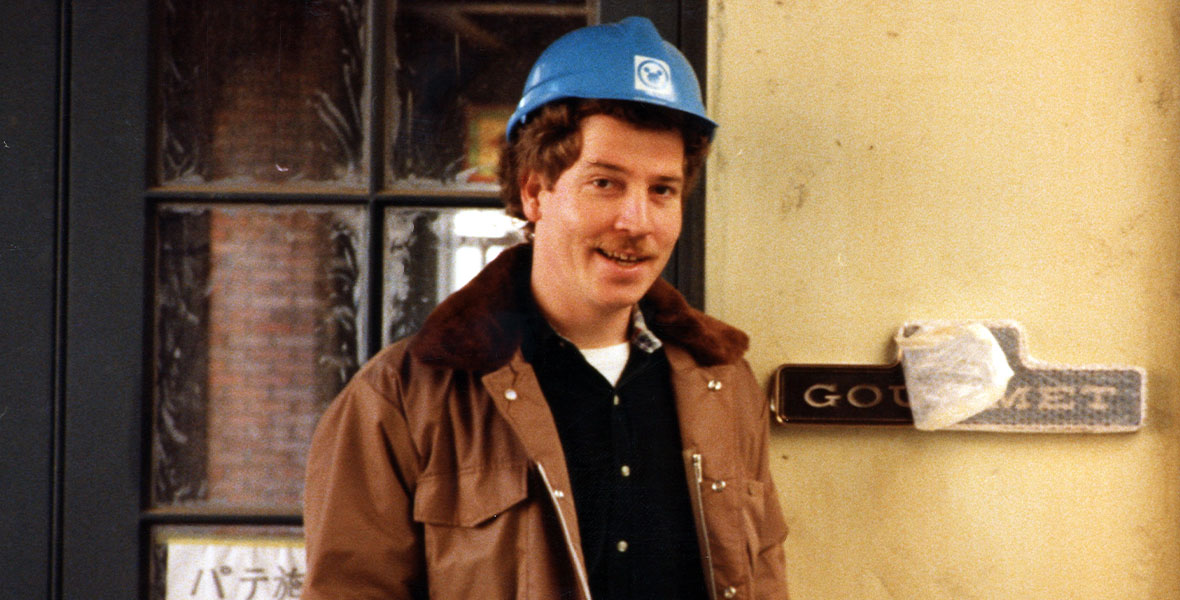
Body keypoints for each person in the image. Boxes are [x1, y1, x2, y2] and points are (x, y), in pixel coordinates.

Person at [304, 16, 788, 600]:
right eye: (605, 183)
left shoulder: (726, 385)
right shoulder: (400, 401)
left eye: (662, 189)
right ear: (534, 191)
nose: (636, 223)